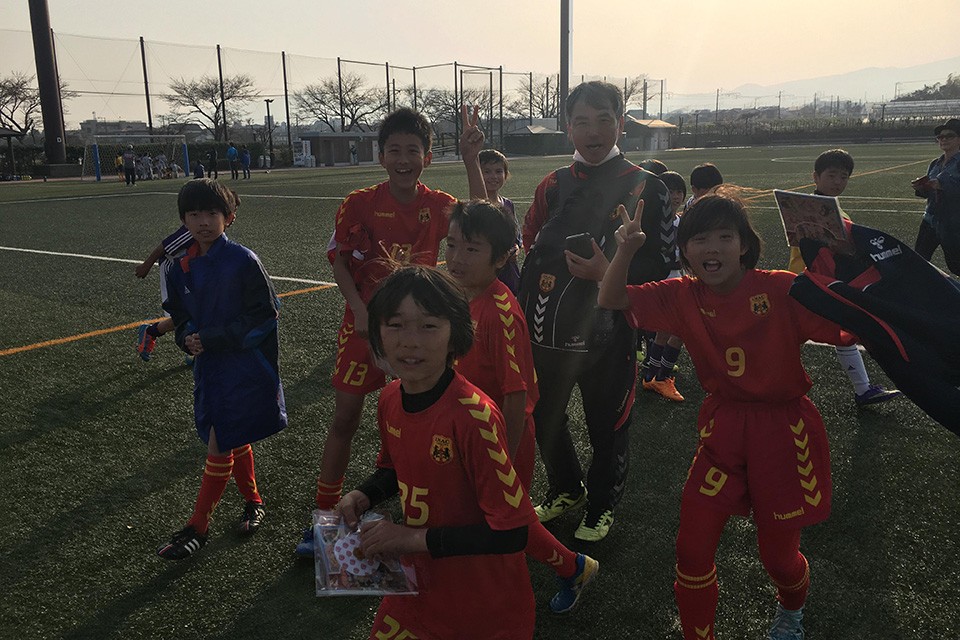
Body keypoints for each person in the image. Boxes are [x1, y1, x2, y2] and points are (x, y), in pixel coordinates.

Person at [599, 189, 855, 640]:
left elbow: (845, 324)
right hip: (722, 431)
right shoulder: (681, 295)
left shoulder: (778, 287)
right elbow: (612, 297)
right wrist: (625, 249)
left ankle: (791, 612)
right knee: (691, 549)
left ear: (744, 244)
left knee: (778, 557)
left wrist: (838, 260)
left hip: (783, 431)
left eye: (724, 236)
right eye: (699, 239)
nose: (711, 248)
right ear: (685, 249)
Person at [300, 106, 486, 547]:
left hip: (416, 331)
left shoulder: (437, 205)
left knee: (423, 417)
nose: (404, 158)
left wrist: (470, 159)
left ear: (427, 157)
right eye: (395, 150)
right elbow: (340, 262)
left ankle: (417, 508)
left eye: (414, 150)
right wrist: (360, 312)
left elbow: (479, 217)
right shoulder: (360, 202)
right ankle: (323, 518)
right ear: (382, 155)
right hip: (363, 327)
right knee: (344, 418)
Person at [337, 265, 538, 639]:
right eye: (395, 325)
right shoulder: (390, 399)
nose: (410, 342)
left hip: (483, 607)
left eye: (429, 326)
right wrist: (364, 492)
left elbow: (511, 535)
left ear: (454, 336)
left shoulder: (475, 417)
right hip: (417, 589)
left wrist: (409, 538)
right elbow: (397, 467)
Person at [517, 81, 676, 542]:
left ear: (621, 123)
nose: (593, 131)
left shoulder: (648, 185)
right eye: (582, 122)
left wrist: (607, 271)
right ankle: (567, 487)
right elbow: (531, 239)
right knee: (544, 415)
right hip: (548, 329)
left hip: (611, 329)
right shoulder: (554, 184)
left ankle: (602, 504)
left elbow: (662, 265)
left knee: (606, 421)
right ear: (568, 128)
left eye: (604, 119)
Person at [445, 199, 598, 613]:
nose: (457, 258)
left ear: (501, 257)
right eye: (452, 244)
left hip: (502, 439)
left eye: (472, 249)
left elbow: (517, 396)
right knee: (500, 518)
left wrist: (504, 458)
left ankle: (512, 602)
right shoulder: (457, 295)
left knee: (505, 525)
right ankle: (573, 567)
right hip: (468, 434)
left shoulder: (500, 311)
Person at [156, 178, 287, 560]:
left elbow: (266, 316)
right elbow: (179, 315)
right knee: (227, 432)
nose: (202, 222)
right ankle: (254, 501)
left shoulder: (243, 260)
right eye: (193, 214)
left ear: (228, 217)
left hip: (245, 367)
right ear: (183, 220)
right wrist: (187, 338)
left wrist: (211, 338)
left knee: (219, 440)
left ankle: (198, 527)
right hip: (210, 368)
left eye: (211, 213)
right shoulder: (181, 266)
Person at [786, 149, 901, 407]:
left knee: (837, 331)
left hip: (823, 283)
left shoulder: (830, 209)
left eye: (844, 177)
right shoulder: (809, 209)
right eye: (832, 175)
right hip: (812, 282)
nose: (838, 182)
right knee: (824, 331)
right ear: (815, 177)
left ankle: (863, 389)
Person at [639, 169, 688, 402]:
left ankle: (653, 374)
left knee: (668, 331)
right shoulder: (655, 223)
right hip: (665, 280)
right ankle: (660, 377)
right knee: (674, 330)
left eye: (679, 191)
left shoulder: (684, 221)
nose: (675, 196)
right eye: (670, 191)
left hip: (680, 278)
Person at [135, 222, 197, 363]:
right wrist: (146, 265)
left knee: (198, 311)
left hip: (193, 272)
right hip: (174, 271)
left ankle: (196, 353)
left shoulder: (216, 229)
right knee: (180, 316)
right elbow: (164, 246)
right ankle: (151, 331)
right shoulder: (193, 230)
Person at [912, 118, 960, 276]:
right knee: (918, 259)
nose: (943, 139)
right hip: (930, 219)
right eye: (940, 137)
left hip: (953, 222)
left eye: (949, 136)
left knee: (956, 265)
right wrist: (921, 188)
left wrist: (942, 185)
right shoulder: (935, 163)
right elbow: (928, 192)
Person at [478, 148, 522, 294]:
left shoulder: (508, 204)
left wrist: (516, 247)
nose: (493, 176)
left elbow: (516, 236)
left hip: (509, 272)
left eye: (498, 171)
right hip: (485, 273)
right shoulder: (474, 206)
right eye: (487, 171)